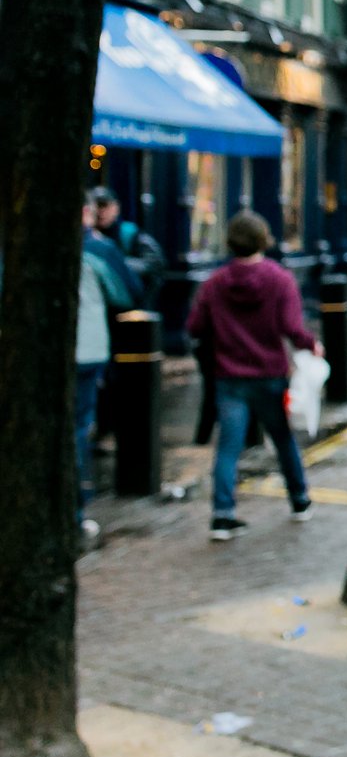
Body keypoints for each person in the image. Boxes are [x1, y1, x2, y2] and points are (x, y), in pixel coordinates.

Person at [184, 211, 321, 542]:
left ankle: (222, 515)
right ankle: (300, 499)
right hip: (269, 374)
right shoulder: (280, 280)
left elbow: (194, 327)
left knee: (228, 447)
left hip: (229, 376)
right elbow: (291, 327)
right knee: (282, 438)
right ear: (264, 240)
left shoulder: (214, 284)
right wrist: (312, 344)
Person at [77, 201, 142, 547]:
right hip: (86, 350)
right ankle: (75, 509)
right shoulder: (98, 250)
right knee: (76, 427)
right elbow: (128, 293)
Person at [89, 186, 165, 309]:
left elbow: (154, 263)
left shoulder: (129, 233)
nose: (100, 212)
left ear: (116, 208)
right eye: (96, 207)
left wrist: (120, 264)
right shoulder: (88, 237)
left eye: (105, 206)